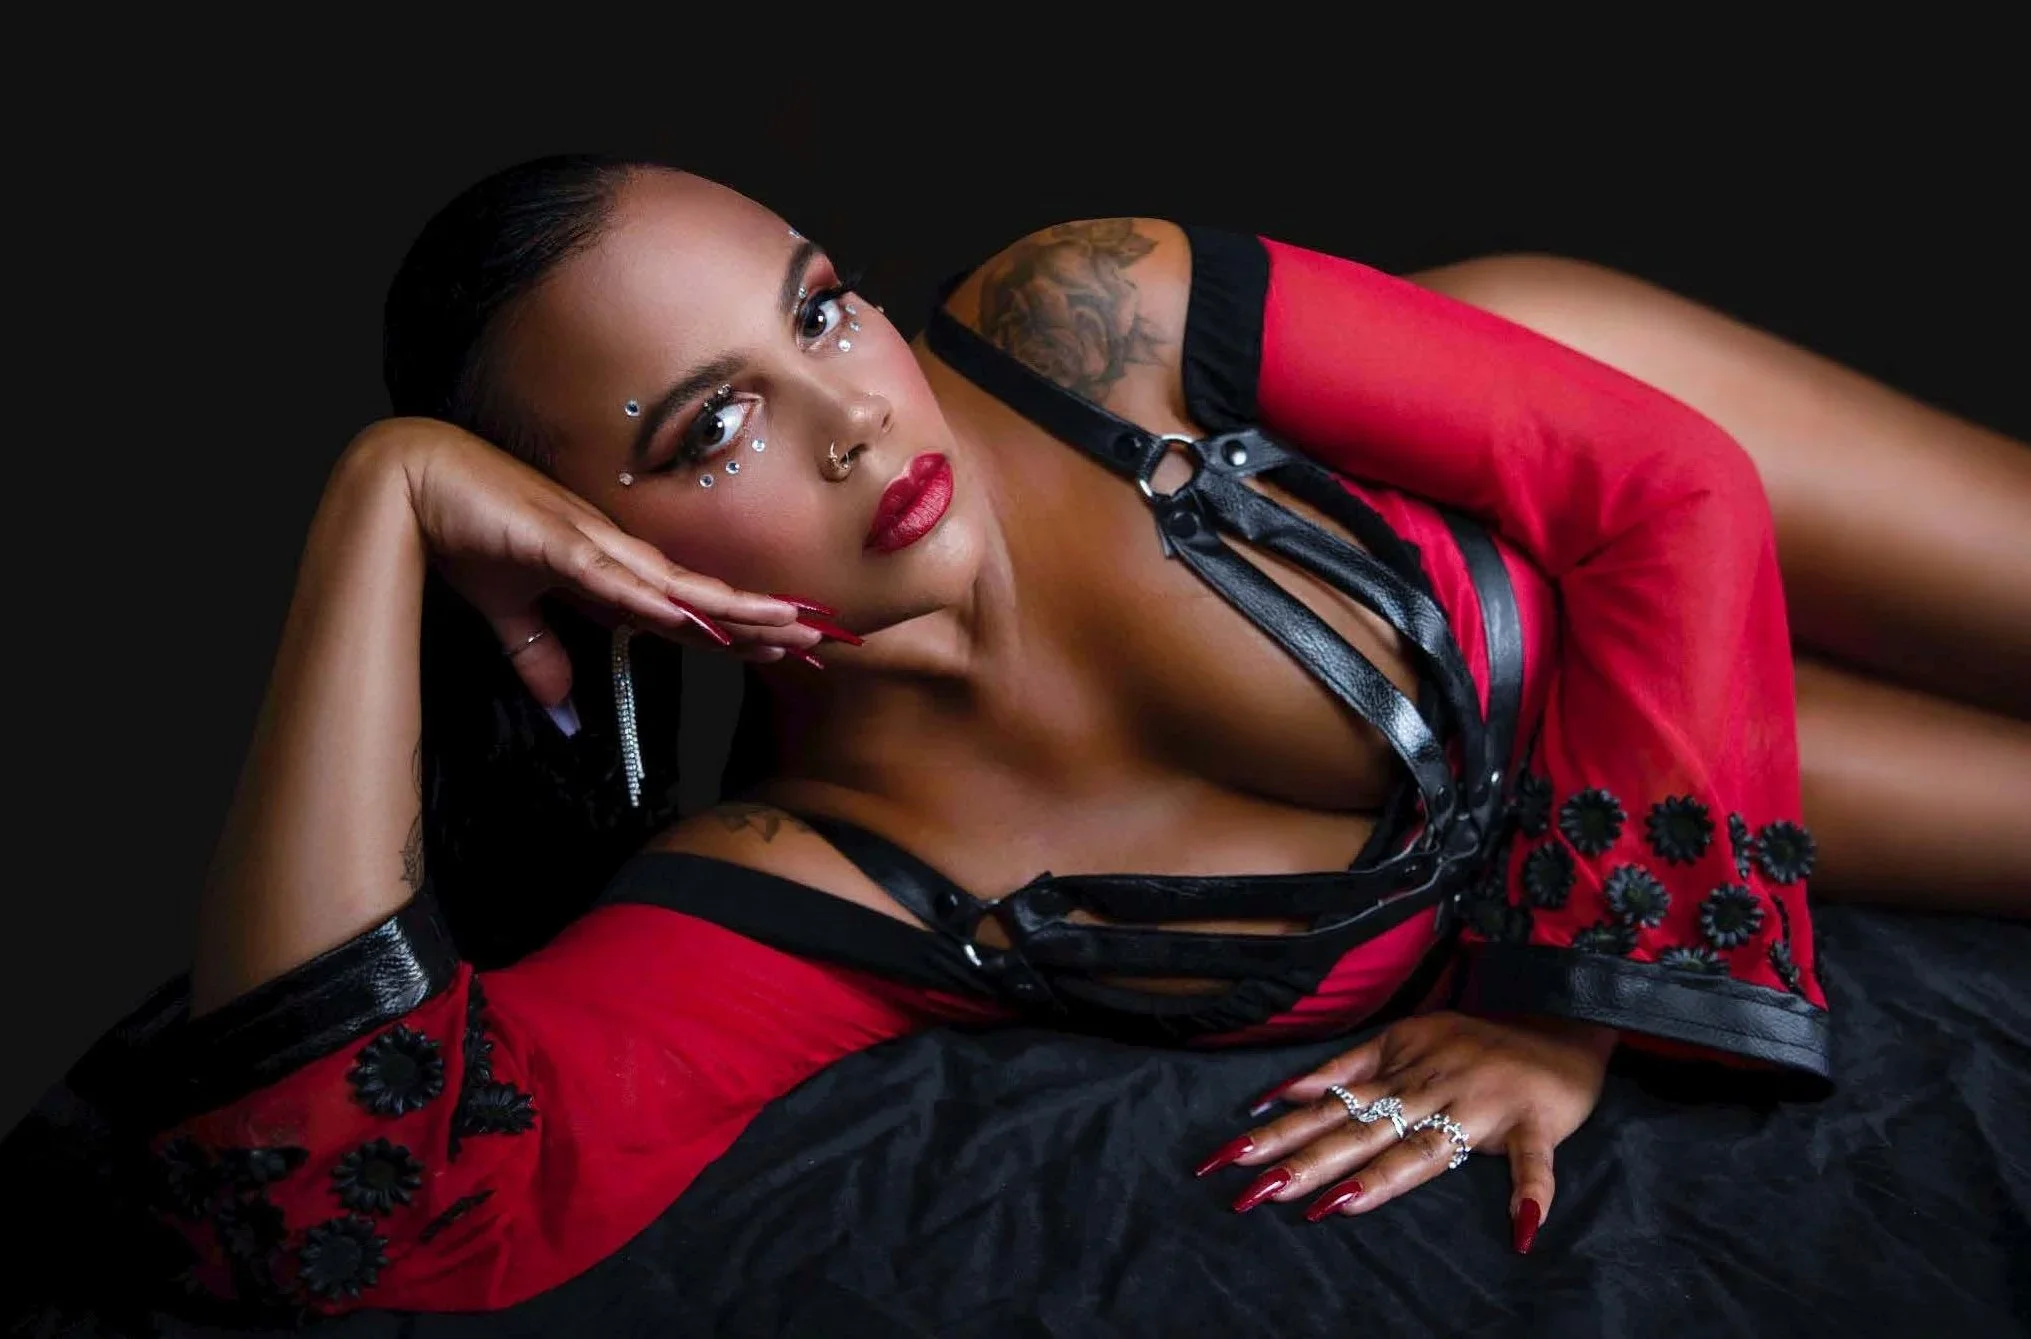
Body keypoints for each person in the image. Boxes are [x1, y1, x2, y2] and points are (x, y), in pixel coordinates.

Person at [77, 153, 2030, 1320]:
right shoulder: (809, 879)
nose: (855, 415)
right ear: (586, 550)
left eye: (820, 311)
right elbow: (336, 1204)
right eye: (714, 427)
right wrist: (382, 506)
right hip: (1593, 754)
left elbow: (1658, 489)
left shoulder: (1082, 316)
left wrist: (1554, 1018)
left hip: (1620, 478)